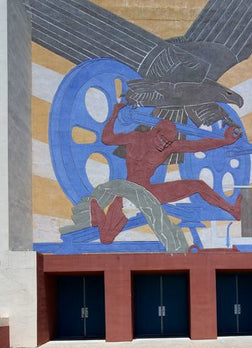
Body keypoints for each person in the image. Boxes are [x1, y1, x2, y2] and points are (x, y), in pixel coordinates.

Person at [91, 102, 242, 243]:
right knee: (106, 238)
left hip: (148, 193)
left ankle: (233, 210)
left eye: (169, 142)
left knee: (198, 185)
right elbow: (107, 139)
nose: (165, 144)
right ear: (155, 131)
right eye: (163, 139)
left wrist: (225, 141)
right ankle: (97, 214)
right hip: (128, 193)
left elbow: (197, 145)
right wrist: (115, 113)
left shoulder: (167, 146)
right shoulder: (135, 138)